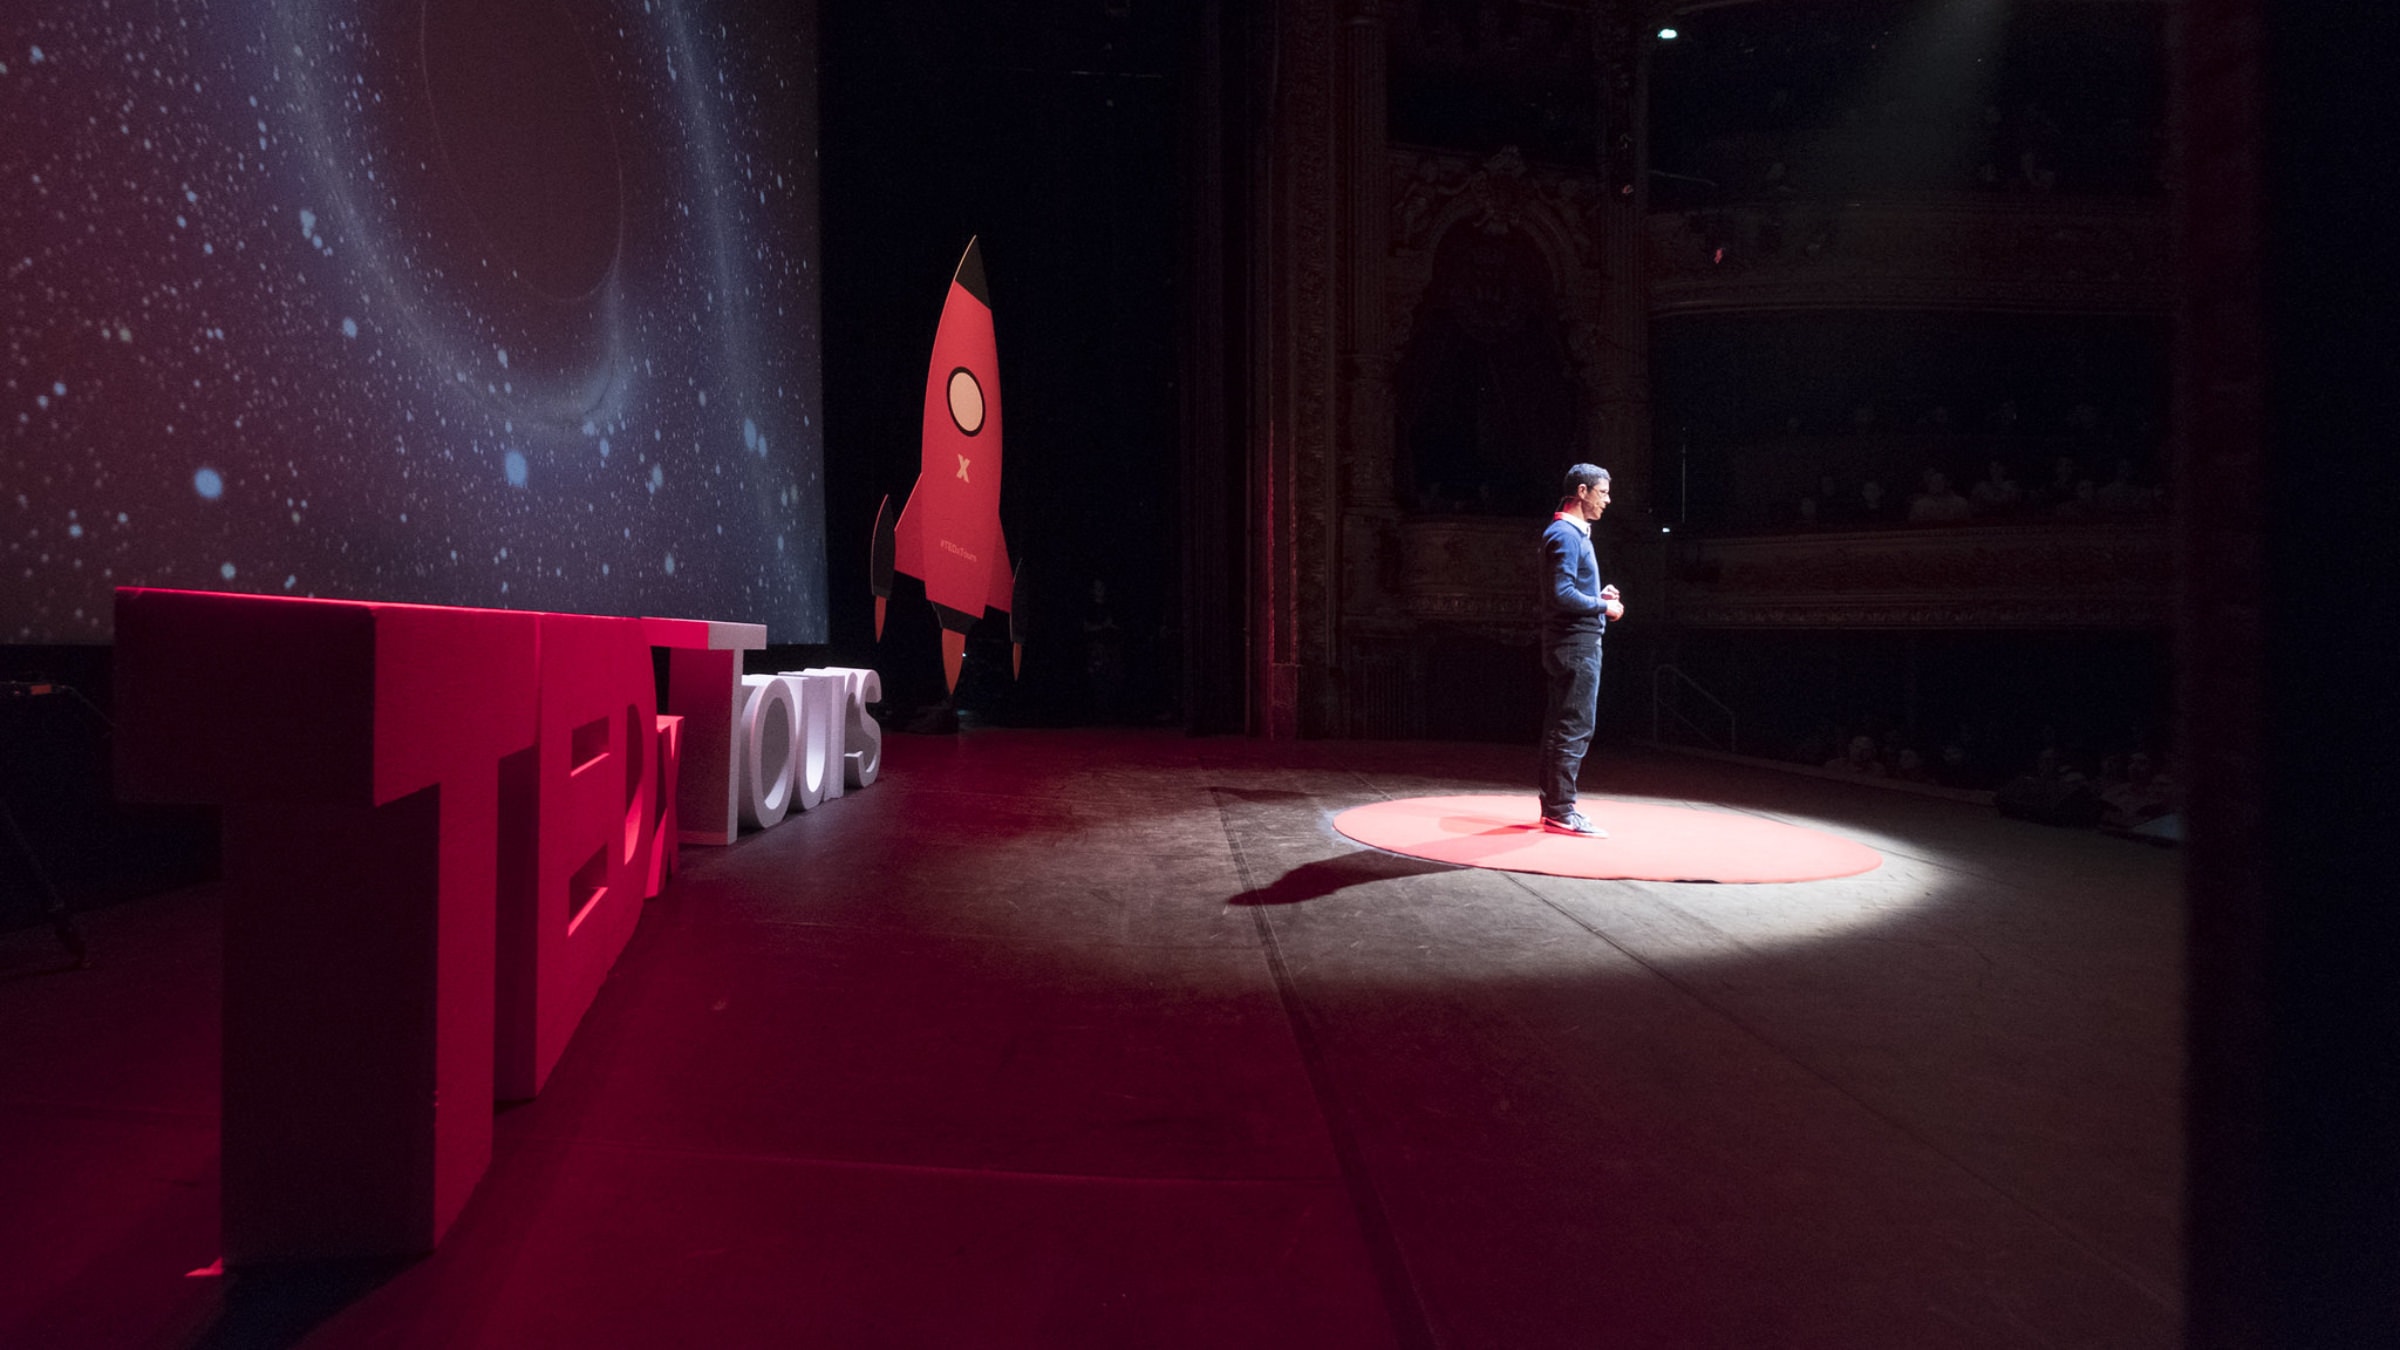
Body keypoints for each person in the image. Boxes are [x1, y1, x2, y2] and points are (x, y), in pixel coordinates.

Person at [1536, 464, 1623, 836]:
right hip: (1575, 645)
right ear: (1583, 491)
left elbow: (1570, 592)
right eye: (1603, 492)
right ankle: (1560, 810)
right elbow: (1561, 595)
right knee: (1573, 727)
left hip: (1572, 642)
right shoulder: (1566, 535)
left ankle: (1555, 807)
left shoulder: (1571, 534)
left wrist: (1597, 596)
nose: (1608, 500)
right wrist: (1605, 606)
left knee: (1563, 726)